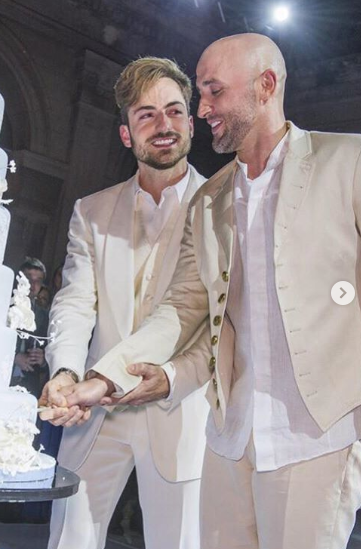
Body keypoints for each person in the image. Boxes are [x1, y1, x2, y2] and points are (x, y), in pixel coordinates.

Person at [54, 33, 361, 549]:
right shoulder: (212, 200)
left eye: (212, 92)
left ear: (265, 86)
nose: (203, 109)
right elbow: (184, 309)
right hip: (228, 438)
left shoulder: (348, 162)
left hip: (316, 437)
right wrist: (103, 379)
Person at [39, 57, 209, 549]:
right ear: (125, 134)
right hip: (92, 412)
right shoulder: (90, 212)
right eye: (146, 115)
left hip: (179, 408)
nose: (163, 126)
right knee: (67, 541)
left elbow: (196, 314)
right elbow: (74, 302)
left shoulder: (223, 208)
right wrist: (66, 373)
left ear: (191, 124)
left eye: (175, 112)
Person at [11, 257, 49, 398]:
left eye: (38, 281)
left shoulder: (44, 316)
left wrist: (43, 360)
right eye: (28, 278)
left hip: (29, 385)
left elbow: (51, 350)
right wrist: (14, 357)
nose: (33, 285)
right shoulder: (3, 306)